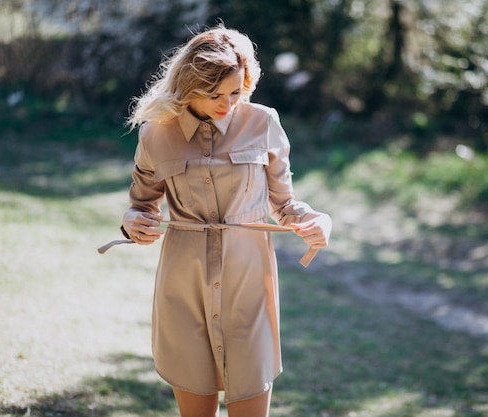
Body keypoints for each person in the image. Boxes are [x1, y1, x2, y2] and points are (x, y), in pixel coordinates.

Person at [119, 25, 332, 417]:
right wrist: (135, 223)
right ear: (188, 87)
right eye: (214, 94)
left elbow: (284, 204)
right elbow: (141, 205)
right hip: (182, 289)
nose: (227, 103)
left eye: (236, 92)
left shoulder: (263, 123)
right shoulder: (155, 136)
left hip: (248, 287)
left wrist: (318, 222)